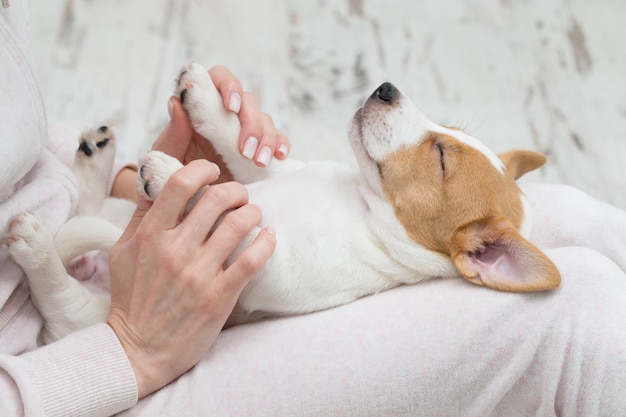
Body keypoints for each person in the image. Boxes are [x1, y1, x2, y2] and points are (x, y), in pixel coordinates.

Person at [2, 2, 626, 416]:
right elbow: (264, 266)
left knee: (565, 213)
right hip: (78, 372)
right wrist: (128, 346)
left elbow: (17, 134)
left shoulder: (365, 204)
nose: (399, 102)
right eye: (439, 153)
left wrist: (133, 183)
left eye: (437, 152)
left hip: (100, 259)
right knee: (587, 304)